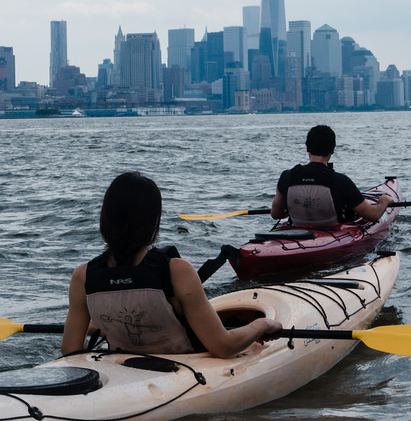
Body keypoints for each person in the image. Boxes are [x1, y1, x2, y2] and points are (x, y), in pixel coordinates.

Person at [62, 172, 281, 358]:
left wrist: (106, 329)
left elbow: (70, 350)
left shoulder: (84, 275)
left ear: (105, 218)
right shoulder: (176, 270)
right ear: (153, 221)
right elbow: (223, 346)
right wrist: (263, 325)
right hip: (183, 367)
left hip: (123, 366)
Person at [271, 125, 392, 226]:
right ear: (333, 150)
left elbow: (275, 214)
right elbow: (372, 215)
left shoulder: (286, 176)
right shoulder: (341, 181)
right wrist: (384, 201)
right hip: (333, 233)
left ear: (307, 148)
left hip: (296, 231)